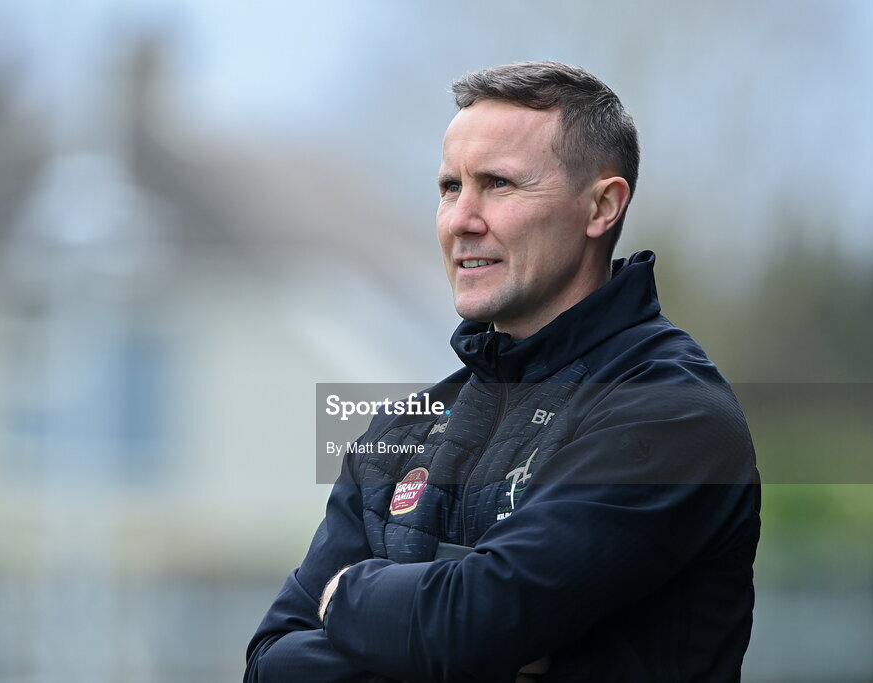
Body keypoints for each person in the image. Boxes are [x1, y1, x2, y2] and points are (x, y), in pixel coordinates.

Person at [244, 61, 761, 682]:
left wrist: (343, 596)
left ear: (602, 207)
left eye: (499, 184)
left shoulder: (670, 413)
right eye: (449, 187)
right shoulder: (400, 434)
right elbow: (271, 663)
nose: (462, 218)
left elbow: (468, 625)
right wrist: (459, 646)